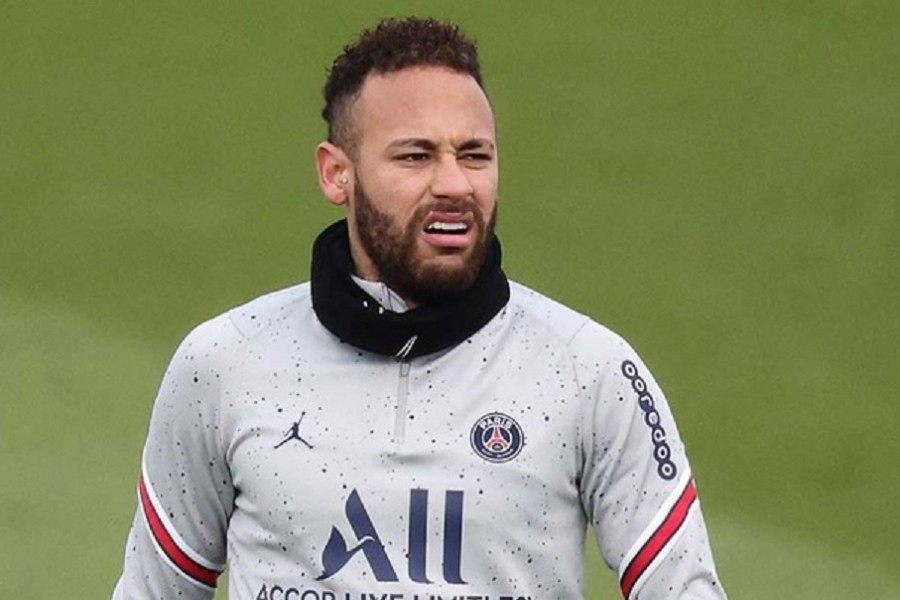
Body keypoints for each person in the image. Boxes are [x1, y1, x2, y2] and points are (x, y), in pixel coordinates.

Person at [112, 17, 728, 600]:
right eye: (416, 156)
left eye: (475, 155)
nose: (455, 184)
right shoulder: (225, 363)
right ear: (336, 175)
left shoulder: (588, 370)